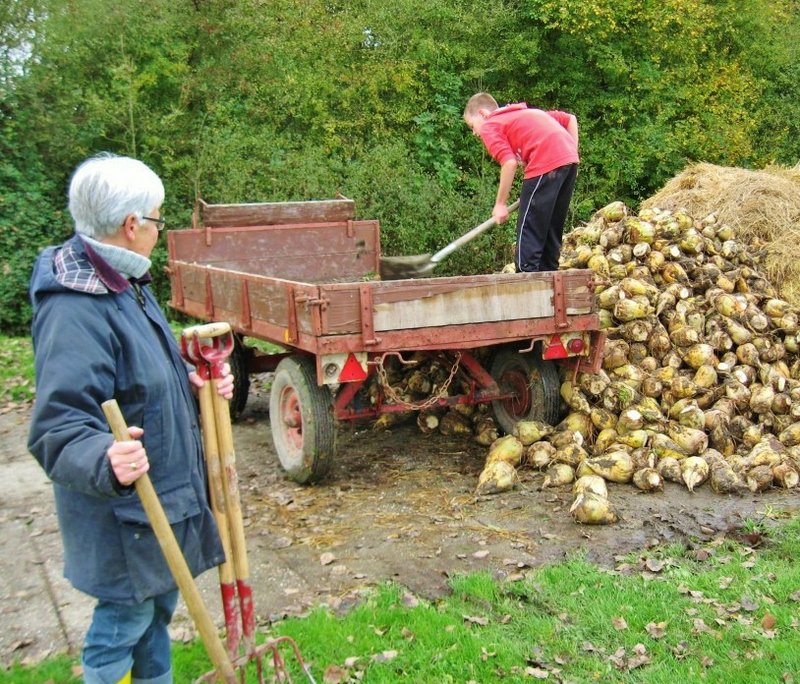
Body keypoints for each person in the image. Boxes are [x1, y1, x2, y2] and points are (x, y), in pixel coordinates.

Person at [27, 153, 233, 684]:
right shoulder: (75, 306)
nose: (160, 232)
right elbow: (57, 426)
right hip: (125, 512)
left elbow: (138, 376)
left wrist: (192, 385)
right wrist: (104, 457)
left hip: (160, 498)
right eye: (158, 219)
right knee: (123, 625)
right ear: (132, 224)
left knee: (156, 613)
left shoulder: (122, 283)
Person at [463, 92, 579, 272]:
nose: (474, 133)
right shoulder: (525, 114)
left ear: (483, 114)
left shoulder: (490, 124)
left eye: (472, 126)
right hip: (569, 163)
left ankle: (526, 277)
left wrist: (500, 204)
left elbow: (509, 163)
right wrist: (570, 154)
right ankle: (549, 277)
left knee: (528, 237)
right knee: (551, 231)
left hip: (544, 162)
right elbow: (570, 119)